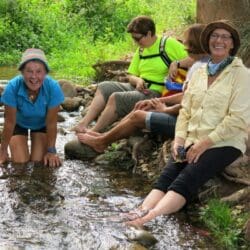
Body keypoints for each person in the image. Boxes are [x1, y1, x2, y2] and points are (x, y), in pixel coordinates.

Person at [124, 20, 250, 227]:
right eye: (214, 36)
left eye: (225, 37)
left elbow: (237, 119)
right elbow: (186, 111)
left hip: (225, 141)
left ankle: (147, 219)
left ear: (232, 44)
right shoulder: (199, 72)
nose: (219, 40)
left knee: (187, 178)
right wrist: (179, 140)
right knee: (167, 177)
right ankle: (138, 211)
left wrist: (203, 144)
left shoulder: (242, 75)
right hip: (192, 137)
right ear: (208, 42)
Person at [77, 23, 208, 153]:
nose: (184, 48)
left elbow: (192, 105)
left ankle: (101, 141)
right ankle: (101, 136)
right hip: (178, 112)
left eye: (186, 44)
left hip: (188, 123)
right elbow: (187, 97)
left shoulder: (205, 69)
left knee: (137, 114)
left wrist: (166, 110)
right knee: (138, 106)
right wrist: (161, 101)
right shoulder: (198, 66)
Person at [71, 15, 191, 133]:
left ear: (149, 33)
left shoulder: (167, 44)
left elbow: (197, 58)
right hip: (139, 87)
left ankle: (95, 131)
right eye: (133, 39)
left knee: (115, 98)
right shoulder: (141, 49)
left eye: (138, 39)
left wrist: (177, 63)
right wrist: (137, 80)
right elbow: (130, 75)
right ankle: (83, 124)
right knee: (104, 86)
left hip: (156, 93)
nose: (135, 42)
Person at [0, 48, 64, 167]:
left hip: (41, 124)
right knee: (20, 163)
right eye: (29, 71)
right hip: (18, 124)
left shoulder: (53, 87)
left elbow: (51, 123)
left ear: (45, 73)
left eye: (39, 71)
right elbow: (9, 123)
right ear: (22, 73)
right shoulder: (12, 87)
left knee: (38, 161)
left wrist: (51, 151)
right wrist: (2, 151)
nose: (34, 77)